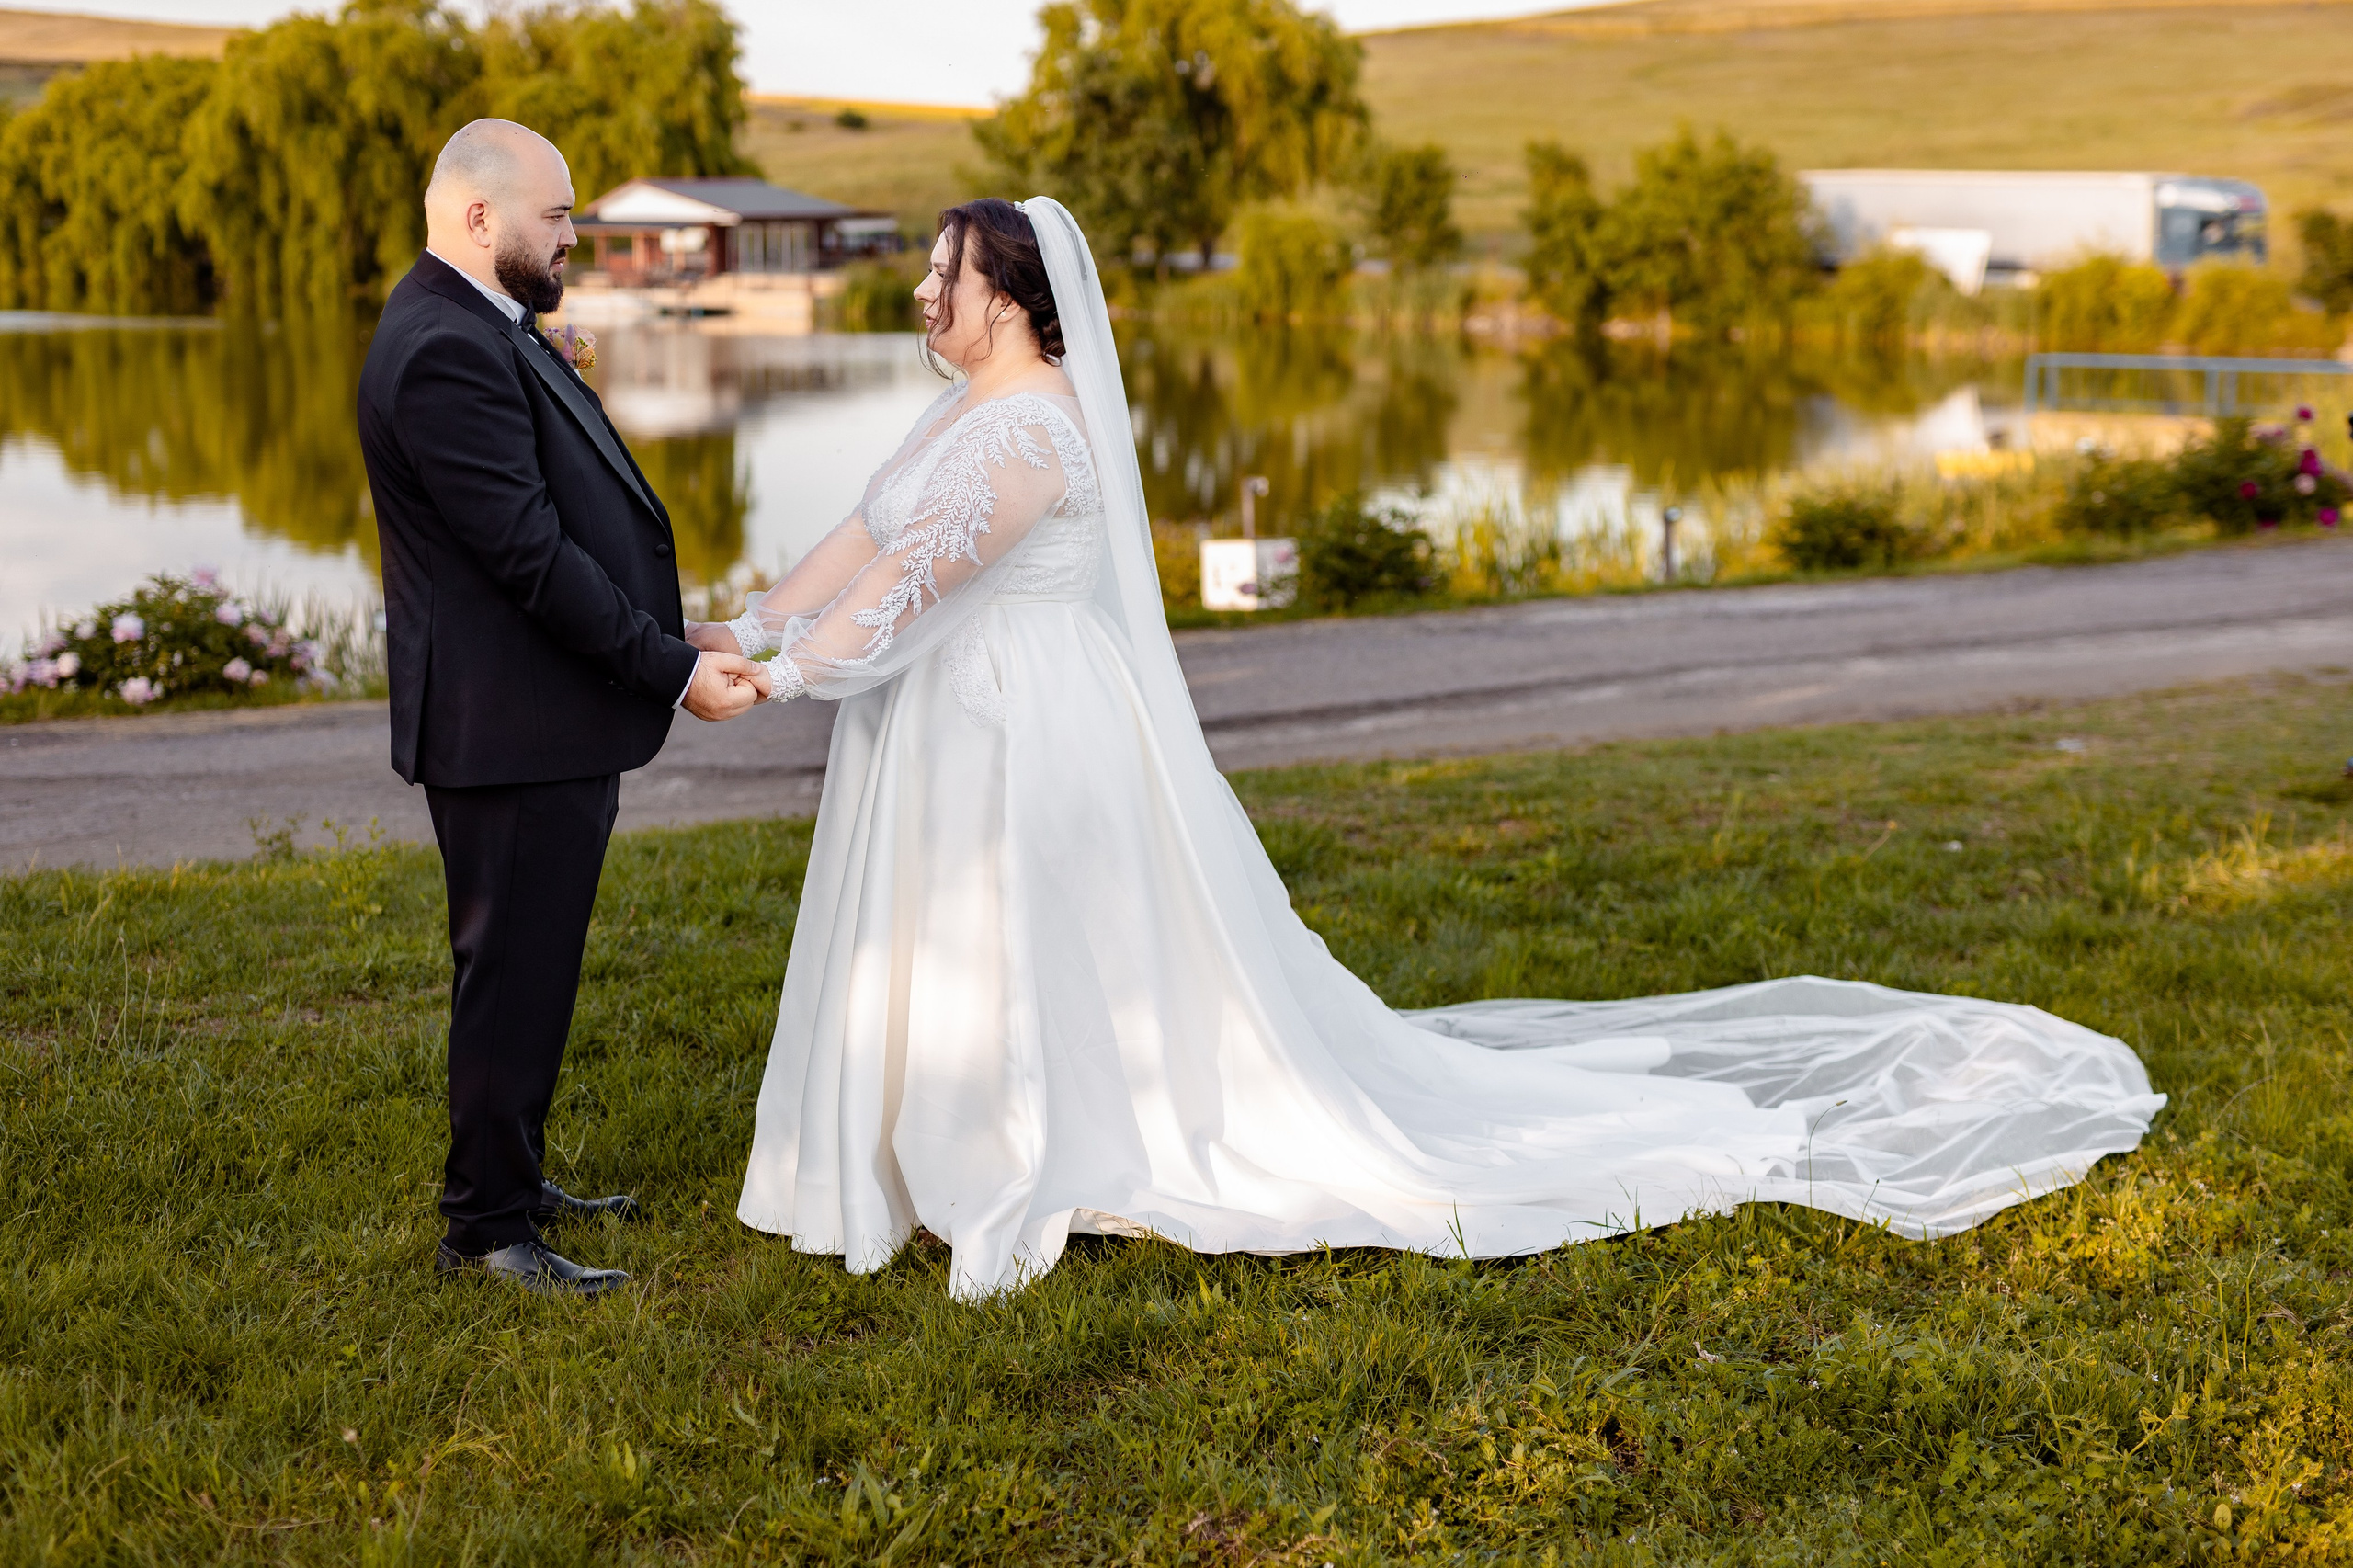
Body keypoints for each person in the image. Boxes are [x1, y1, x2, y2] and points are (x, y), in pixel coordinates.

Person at [714, 198, 2165, 1301]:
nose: (922, 291)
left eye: (946, 277)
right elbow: (860, 539)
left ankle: (1040, 1141)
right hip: (955, 717)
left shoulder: (1032, 434)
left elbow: (916, 594)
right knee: (969, 940)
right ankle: (923, 1137)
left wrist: (773, 686)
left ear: (1014, 302)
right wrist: (744, 626)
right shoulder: (953, 411)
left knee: (1053, 945)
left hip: (1025, 723)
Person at [358, 119, 773, 1297]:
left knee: (534, 963)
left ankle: (517, 1181)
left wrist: (547, 345)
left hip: (535, 712)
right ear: (480, 218)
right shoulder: (443, 345)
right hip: (509, 719)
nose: (574, 236)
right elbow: (529, 556)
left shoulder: (480, 322)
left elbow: (538, 476)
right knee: (510, 969)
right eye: (557, 216)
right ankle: (487, 1229)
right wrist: (669, 666)